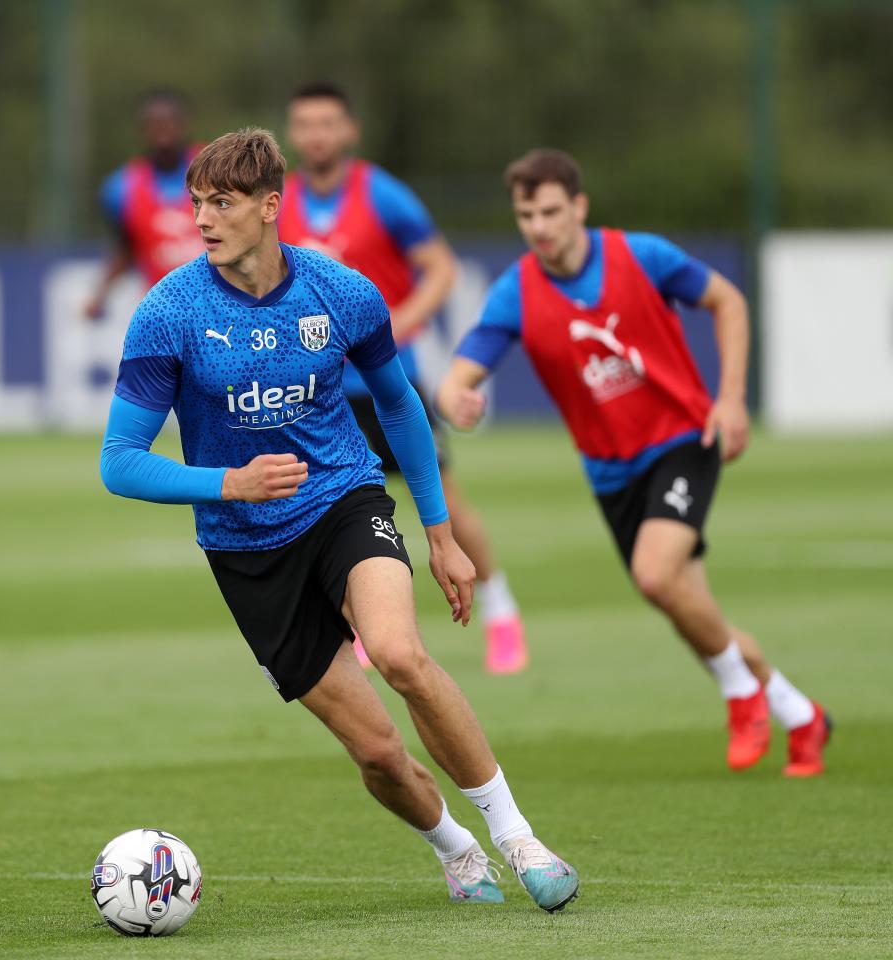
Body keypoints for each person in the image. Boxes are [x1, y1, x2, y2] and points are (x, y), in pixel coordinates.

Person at [100, 128, 579, 910]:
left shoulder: (341, 291)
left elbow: (400, 406)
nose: (203, 220)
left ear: (270, 206)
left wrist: (441, 535)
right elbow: (119, 460)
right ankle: (455, 849)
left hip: (342, 500)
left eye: (221, 203)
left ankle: (519, 837)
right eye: (197, 204)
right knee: (379, 752)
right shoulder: (168, 313)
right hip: (245, 549)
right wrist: (228, 484)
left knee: (399, 654)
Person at [436, 148, 830, 777]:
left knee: (654, 574)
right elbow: (461, 371)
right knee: (691, 610)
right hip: (611, 472)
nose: (539, 227)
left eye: (550, 211)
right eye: (526, 215)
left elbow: (728, 301)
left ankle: (742, 695)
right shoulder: (516, 291)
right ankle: (801, 715)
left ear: (580, 207)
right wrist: (456, 397)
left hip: (683, 441)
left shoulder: (641, 255)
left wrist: (730, 398)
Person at [278, 82, 527, 674]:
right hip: (319, 393)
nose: (317, 135)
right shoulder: (279, 202)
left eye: (328, 122)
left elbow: (439, 268)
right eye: (306, 124)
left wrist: (400, 322)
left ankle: (500, 609)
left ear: (349, 130)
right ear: (292, 133)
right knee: (328, 510)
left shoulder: (382, 195)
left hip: (388, 387)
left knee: (443, 502)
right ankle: (362, 622)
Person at [85, 90, 206, 318]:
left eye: (168, 122)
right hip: (165, 313)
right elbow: (126, 248)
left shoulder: (217, 170)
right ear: (142, 130)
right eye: (154, 124)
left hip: (221, 307)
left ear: (183, 124)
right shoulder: (121, 189)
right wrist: (100, 295)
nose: (162, 130)